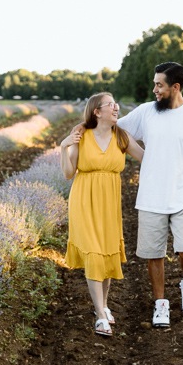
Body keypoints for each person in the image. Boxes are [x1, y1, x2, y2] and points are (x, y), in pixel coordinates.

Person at [115, 62, 183, 328]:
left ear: (175, 87)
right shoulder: (145, 112)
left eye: (159, 85)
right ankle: (161, 304)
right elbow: (116, 129)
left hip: (182, 192)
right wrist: (139, 153)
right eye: (154, 84)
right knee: (154, 254)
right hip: (151, 195)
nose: (154, 90)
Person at [60, 92, 144, 337]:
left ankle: (104, 305)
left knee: (107, 255)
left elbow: (147, 158)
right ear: (97, 111)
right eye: (111, 104)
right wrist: (63, 146)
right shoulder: (81, 136)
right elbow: (68, 173)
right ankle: (99, 315)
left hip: (109, 202)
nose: (116, 108)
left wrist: (182, 161)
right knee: (95, 254)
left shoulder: (122, 136)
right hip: (84, 200)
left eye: (116, 103)